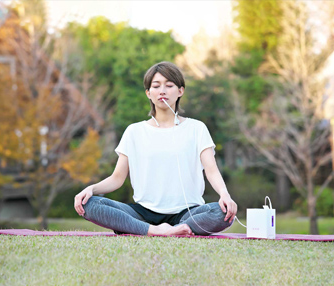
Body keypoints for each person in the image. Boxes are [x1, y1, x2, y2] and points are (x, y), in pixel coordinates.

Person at [74, 61, 238, 236]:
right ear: (148, 93)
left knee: (222, 213)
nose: (162, 91)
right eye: (156, 86)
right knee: (90, 204)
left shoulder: (196, 128)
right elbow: (117, 178)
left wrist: (224, 195)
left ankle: (171, 229)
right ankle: (155, 230)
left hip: (188, 213)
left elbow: (211, 171)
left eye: (169, 85)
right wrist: (91, 189)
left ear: (180, 91)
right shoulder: (134, 131)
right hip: (142, 213)